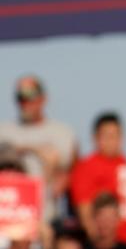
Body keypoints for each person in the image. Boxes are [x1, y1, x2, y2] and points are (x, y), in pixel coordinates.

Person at [0, 75, 78, 220]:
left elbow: (75, 173)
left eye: (30, 98)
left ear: (43, 98)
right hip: (8, 218)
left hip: (46, 216)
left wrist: (64, 179)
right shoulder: (3, 132)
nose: (25, 104)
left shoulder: (62, 133)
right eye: (21, 99)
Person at [69, 113, 126, 248]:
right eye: (107, 136)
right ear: (95, 138)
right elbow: (86, 214)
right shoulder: (86, 167)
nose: (113, 141)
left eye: (116, 136)